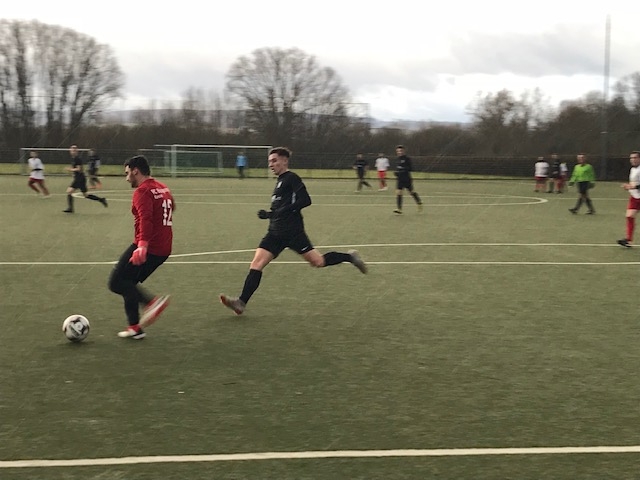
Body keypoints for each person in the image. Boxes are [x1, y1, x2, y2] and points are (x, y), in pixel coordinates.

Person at [219, 147, 367, 315]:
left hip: (293, 233)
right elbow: (280, 208)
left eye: (274, 161)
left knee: (318, 262)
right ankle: (241, 302)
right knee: (256, 264)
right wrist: (269, 214)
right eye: (269, 162)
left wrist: (282, 211)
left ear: (284, 161)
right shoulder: (279, 181)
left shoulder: (292, 178)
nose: (271, 165)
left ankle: (350, 257)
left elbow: (305, 200)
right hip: (274, 233)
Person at [108, 155, 173, 339]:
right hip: (163, 248)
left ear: (135, 171)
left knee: (116, 282)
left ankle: (151, 302)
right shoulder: (162, 187)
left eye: (127, 173)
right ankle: (134, 328)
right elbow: (171, 206)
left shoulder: (142, 191)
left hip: (149, 247)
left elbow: (146, 219)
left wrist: (142, 246)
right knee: (128, 283)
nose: (126, 178)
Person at [63, 144, 108, 213]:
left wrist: (70, 169)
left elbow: (79, 169)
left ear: (76, 151)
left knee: (69, 191)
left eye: (74, 150)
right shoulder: (74, 159)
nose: (73, 151)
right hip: (80, 178)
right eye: (72, 150)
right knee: (85, 195)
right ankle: (101, 199)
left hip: (79, 179)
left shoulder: (77, 159)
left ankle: (70, 208)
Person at [617, 151, 640, 248]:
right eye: (631, 158)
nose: (633, 160)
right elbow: (634, 183)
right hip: (635, 197)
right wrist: (628, 186)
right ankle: (628, 240)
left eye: (635, 158)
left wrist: (632, 187)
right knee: (629, 216)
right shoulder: (633, 169)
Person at [393, 145, 423, 214]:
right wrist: (396, 173)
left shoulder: (407, 159)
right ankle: (399, 209)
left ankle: (419, 202)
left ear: (403, 151)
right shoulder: (397, 159)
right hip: (400, 179)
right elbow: (398, 168)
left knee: (411, 192)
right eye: (398, 151)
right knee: (398, 192)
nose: (399, 152)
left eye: (400, 151)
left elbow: (410, 168)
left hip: (406, 179)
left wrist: (402, 170)